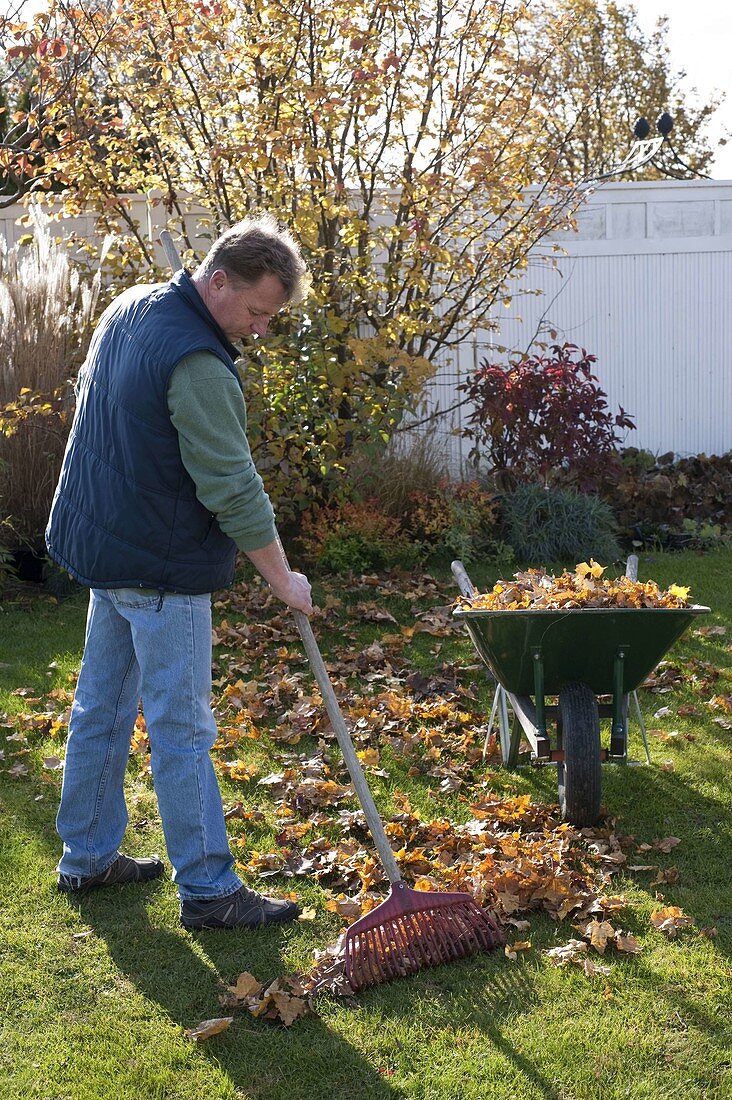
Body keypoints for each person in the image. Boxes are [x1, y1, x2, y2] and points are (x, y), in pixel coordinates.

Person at [45, 215, 314, 930]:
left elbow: (96, 404)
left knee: (100, 709)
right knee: (182, 730)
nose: (259, 329)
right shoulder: (197, 362)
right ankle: (208, 889)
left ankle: (88, 857)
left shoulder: (132, 305)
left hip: (111, 549)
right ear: (218, 280)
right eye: (256, 311)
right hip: (158, 569)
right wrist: (283, 579)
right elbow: (233, 487)